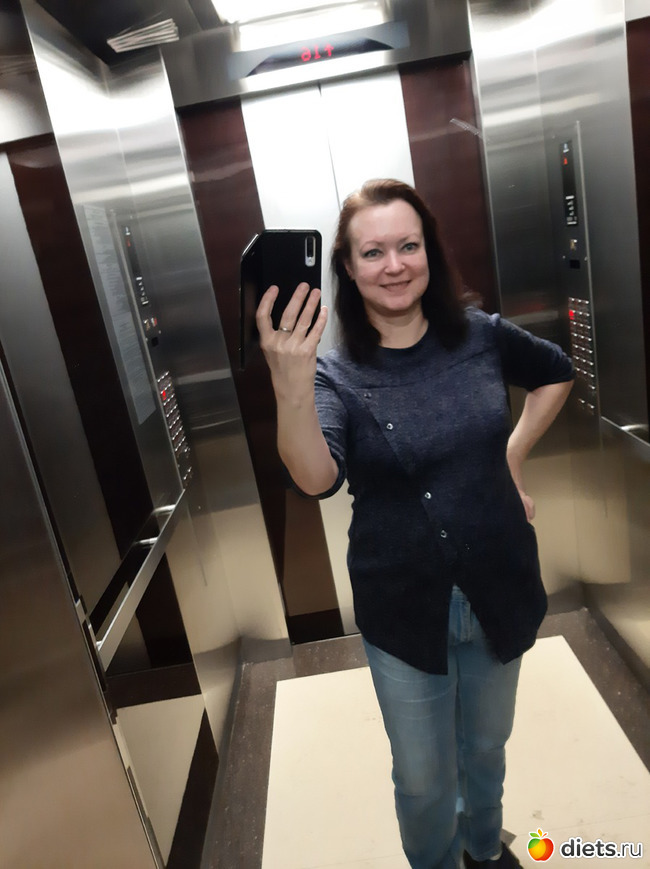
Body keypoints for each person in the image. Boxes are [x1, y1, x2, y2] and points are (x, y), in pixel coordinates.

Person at [256, 179, 574, 869]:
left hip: (499, 584)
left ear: (429, 251)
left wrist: (511, 454)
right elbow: (316, 477)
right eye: (373, 252)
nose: (395, 265)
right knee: (425, 777)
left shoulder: (482, 336)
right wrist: (290, 383)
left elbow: (555, 372)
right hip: (401, 603)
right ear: (347, 267)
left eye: (409, 245)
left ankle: (484, 849)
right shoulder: (333, 374)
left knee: (486, 747)